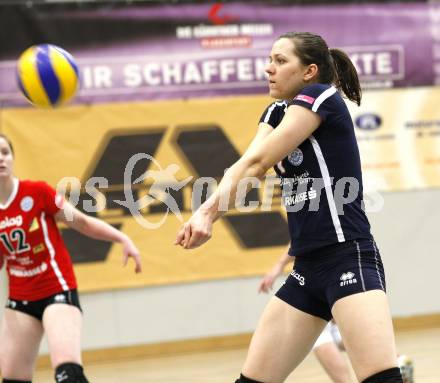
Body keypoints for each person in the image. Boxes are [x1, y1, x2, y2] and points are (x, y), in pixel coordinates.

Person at [175, 31, 403, 383]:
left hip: (347, 255)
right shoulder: (275, 111)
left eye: (280, 61)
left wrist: (207, 214)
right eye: (270, 60)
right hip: (307, 268)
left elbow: (258, 164)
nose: (269, 69)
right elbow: (247, 164)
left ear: (309, 71)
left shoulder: (321, 96)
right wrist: (208, 212)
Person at [0, 134, 142, 383]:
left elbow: (83, 222)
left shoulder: (37, 192)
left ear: (12, 158)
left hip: (56, 289)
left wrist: (122, 239)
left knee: (68, 375)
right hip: (20, 298)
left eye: (4, 152)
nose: (1, 159)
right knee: (12, 379)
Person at [258, 246, 352, 383]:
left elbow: (302, 237)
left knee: (329, 338)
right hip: (326, 279)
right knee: (334, 339)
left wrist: (279, 265)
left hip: (332, 275)